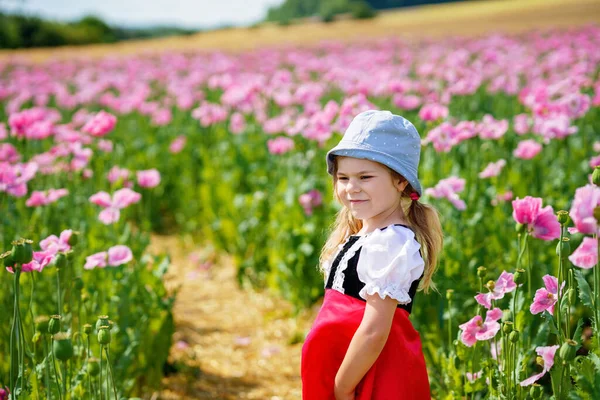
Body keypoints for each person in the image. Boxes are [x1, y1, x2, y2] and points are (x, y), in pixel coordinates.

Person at [301, 110, 443, 400]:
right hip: (347, 366)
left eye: (365, 177)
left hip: (371, 373)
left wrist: (343, 385)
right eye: (343, 177)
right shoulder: (363, 235)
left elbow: (374, 330)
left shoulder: (391, 243)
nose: (351, 188)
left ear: (401, 181)